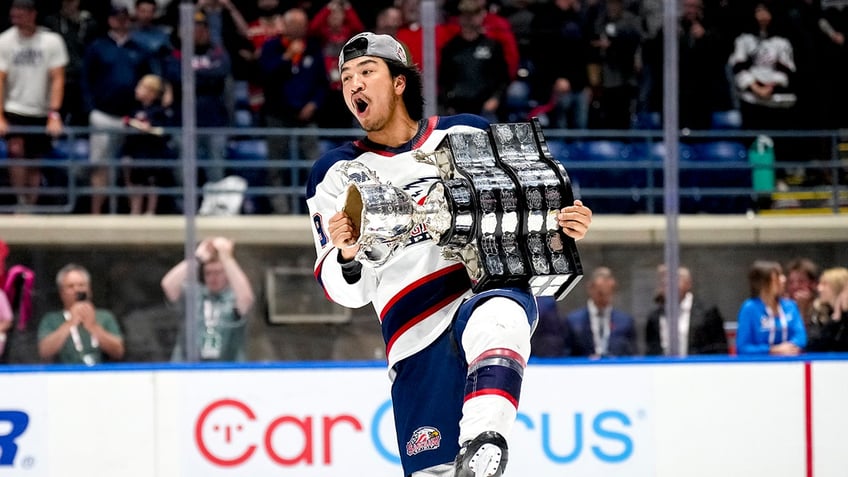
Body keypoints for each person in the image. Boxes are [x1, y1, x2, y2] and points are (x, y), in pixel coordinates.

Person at [306, 31, 593, 477]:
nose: (354, 85)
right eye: (346, 78)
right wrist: (346, 254)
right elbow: (347, 293)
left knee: (502, 311)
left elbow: (528, 204)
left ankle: (486, 440)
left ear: (399, 83)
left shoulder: (465, 133)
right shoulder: (335, 173)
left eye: (366, 72)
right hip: (413, 337)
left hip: (481, 295)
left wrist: (563, 223)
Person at [0, 0, 69, 208]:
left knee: (34, 159)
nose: (16, 16)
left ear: (32, 14)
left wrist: (54, 114)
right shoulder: (5, 40)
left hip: (40, 109)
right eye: (14, 13)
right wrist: (0, 116)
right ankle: (21, 200)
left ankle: (31, 204)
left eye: (20, 13)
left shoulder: (51, 41)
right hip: (14, 107)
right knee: (16, 151)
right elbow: (0, 79)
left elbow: (57, 78)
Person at [161, 236, 255, 362]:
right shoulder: (194, 294)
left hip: (227, 369)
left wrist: (226, 258)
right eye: (208, 273)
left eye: (218, 272)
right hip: (188, 369)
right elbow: (168, 285)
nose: (213, 278)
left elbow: (246, 298)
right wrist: (197, 258)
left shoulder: (233, 296)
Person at [37, 263, 125, 365]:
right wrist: (70, 323)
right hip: (64, 375)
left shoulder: (105, 316)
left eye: (81, 285)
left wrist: (93, 327)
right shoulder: (51, 319)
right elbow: (44, 352)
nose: (77, 290)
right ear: (61, 293)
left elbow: (119, 352)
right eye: (70, 286)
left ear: (89, 289)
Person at [120, 73, 176, 215]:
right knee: (136, 182)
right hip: (136, 151)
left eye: (142, 88)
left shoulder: (159, 111)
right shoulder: (133, 109)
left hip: (153, 151)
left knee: (152, 182)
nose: (137, 90)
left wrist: (149, 128)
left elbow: (163, 131)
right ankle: (135, 210)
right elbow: (127, 125)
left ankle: (151, 211)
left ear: (152, 92)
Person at [644, 265, 729, 356]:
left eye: (676, 279)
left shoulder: (707, 312)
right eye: (665, 281)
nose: (669, 283)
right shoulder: (654, 317)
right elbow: (651, 351)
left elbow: (720, 348)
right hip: (664, 368)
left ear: (688, 284)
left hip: (698, 367)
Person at [562, 266, 637, 358]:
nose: (604, 298)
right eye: (600, 293)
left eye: (608, 293)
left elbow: (632, 355)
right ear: (590, 289)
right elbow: (566, 355)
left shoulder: (625, 322)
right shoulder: (573, 322)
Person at [736, 260, 807, 356]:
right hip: (760, 366)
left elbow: (800, 337)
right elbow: (743, 347)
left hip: (790, 364)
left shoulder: (790, 306)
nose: (783, 279)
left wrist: (790, 347)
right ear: (763, 283)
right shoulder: (750, 308)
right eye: (777, 277)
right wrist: (772, 350)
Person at [807, 266, 848, 352]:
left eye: (824, 284)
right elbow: (813, 345)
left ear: (838, 287)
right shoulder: (819, 312)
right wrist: (835, 320)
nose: (819, 288)